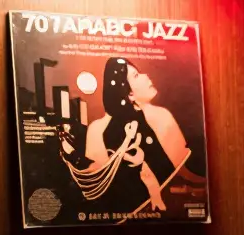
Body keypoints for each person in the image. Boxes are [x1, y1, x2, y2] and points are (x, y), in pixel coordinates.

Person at [60, 57, 195, 219]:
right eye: (136, 76)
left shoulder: (162, 116)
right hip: (127, 213)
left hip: (169, 207)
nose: (146, 76)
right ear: (129, 93)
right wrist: (72, 156)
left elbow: (183, 171)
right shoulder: (98, 129)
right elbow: (97, 180)